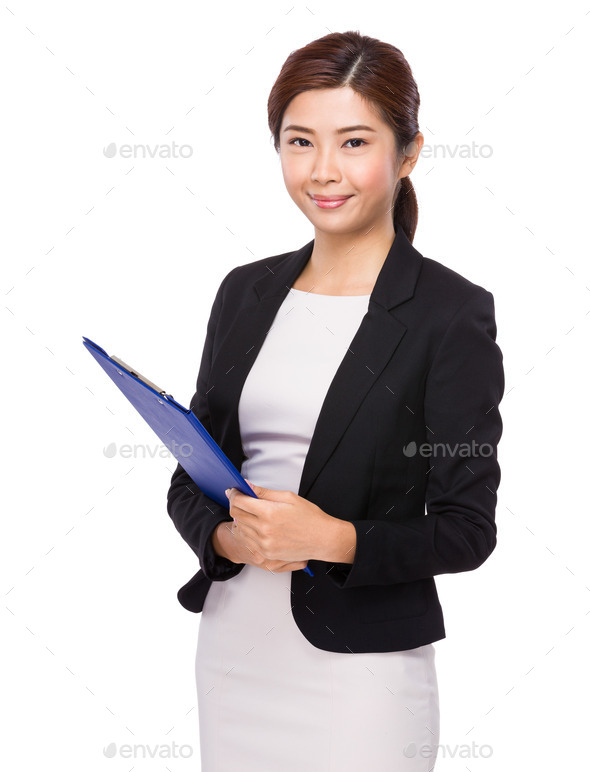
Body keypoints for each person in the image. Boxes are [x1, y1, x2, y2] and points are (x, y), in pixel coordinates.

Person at [166, 29, 504, 771]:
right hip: (235, 648)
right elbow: (192, 476)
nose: (323, 171)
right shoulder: (245, 292)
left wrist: (331, 539)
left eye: (354, 142)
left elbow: (467, 530)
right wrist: (227, 540)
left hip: (362, 678)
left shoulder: (449, 314)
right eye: (299, 141)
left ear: (408, 153)